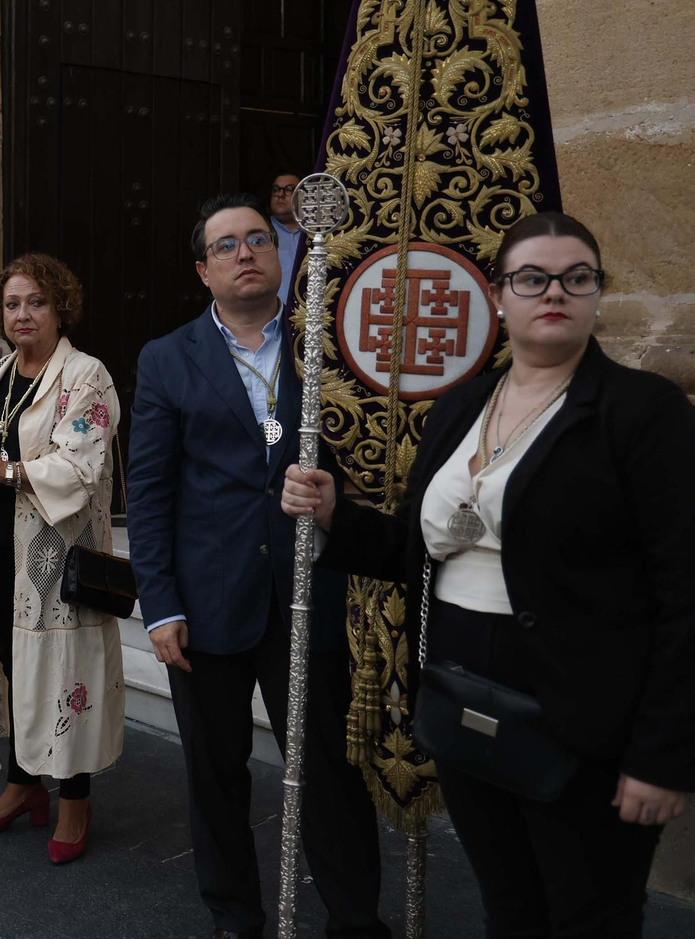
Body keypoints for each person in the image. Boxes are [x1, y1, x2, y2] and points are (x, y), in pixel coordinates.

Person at [282, 212, 695, 938]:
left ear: (599, 292)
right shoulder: (464, 405)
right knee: (509, 909)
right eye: (532, 277)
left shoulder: (641, 412)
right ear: (499, 297)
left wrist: (661, 756)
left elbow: (685, 593)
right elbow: (414, 546)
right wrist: (331, 515)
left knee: (589, 918)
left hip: (585, 721)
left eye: (577, 277)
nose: (555, 292)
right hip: (463, 700)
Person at [127, 193, 388, 939]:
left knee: (332, 775)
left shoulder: (328, 348)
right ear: (203, 270)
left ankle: (355, 919)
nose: (245, 253)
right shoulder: (167, 358)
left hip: (309, 589)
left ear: (281, 259)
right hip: (207, 600)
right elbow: (147, 493)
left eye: (258, 241)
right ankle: (234, 915)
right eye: (227, 246)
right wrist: (162, 604)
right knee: (216, 774)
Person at [0, 253, 124, 865]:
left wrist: (3, 470)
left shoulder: (86, 374)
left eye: (36, 302)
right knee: (15, 667)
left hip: (55, 556)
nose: (23, 314)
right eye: (13, 304)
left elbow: (82, 464)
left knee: (64, 673)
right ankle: (22, 784)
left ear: (60, 308)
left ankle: (74, 799)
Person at [267, 172, 303, 307]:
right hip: (274, 315)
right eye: (276, 190)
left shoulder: (316, 233)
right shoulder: (262, 232)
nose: (280, 195)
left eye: (289, 189)